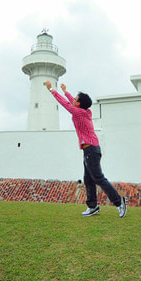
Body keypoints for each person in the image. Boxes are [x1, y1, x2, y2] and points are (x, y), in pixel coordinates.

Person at [44, 80, 127, 218]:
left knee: (98, 178)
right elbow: (71, 101)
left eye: (76, 100)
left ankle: (119, 202)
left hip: (91, 150)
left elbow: (66, 104)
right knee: (88, 179)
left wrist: (51, 89)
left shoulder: (78, 113)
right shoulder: (84, 111)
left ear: (79, 104)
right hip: (90, 150)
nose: (73, 100)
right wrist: (65, 91)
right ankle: (93, 206)